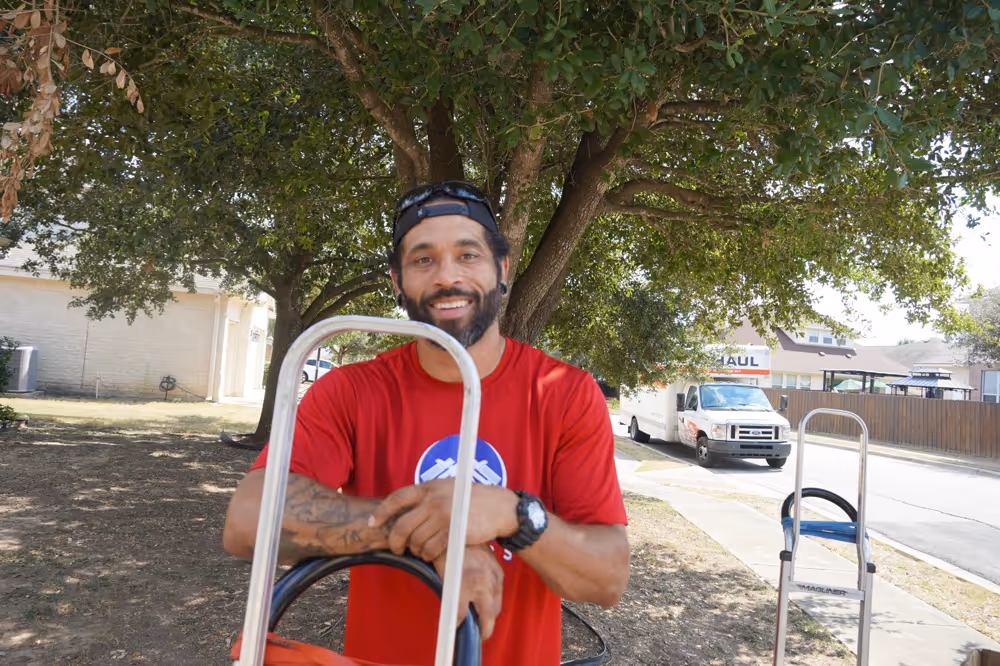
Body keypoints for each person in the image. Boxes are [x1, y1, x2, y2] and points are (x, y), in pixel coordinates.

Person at [222, 180, 630, 666]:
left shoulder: (565, 393)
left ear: (501, 269)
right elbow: (247, 522)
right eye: (423, 260)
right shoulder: (351, 390)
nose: (446, 276)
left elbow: (607, 579)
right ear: (397, 282)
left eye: (468, 255)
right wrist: (433, 533)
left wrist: (515, 515)